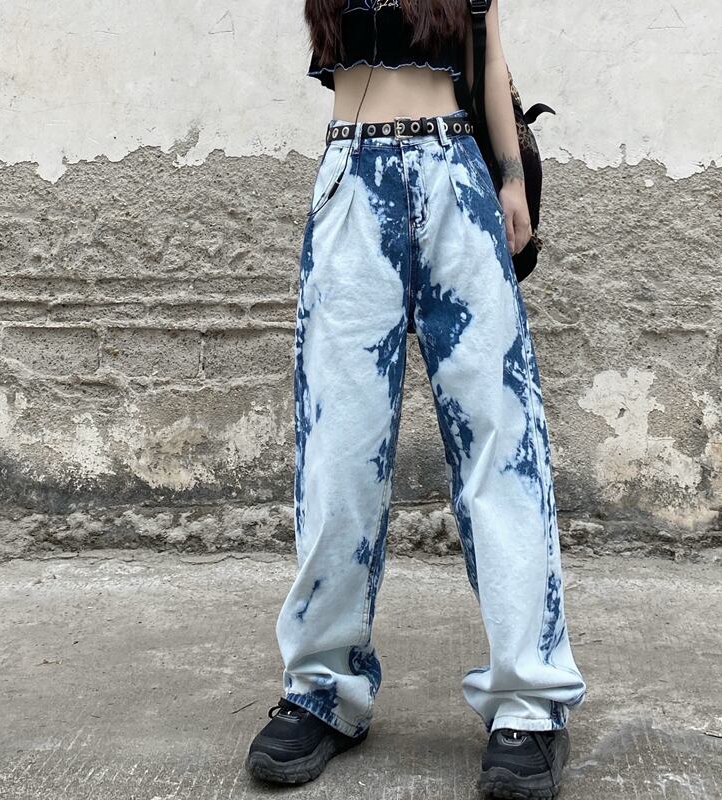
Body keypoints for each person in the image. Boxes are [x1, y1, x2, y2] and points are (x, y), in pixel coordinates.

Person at [246, 0, 587, 796]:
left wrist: (511, 179)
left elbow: (488, 54)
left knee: (502, 442)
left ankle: (529, 701)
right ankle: (322, 688)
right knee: (337, 447)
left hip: (456, 175)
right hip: (351, 177)